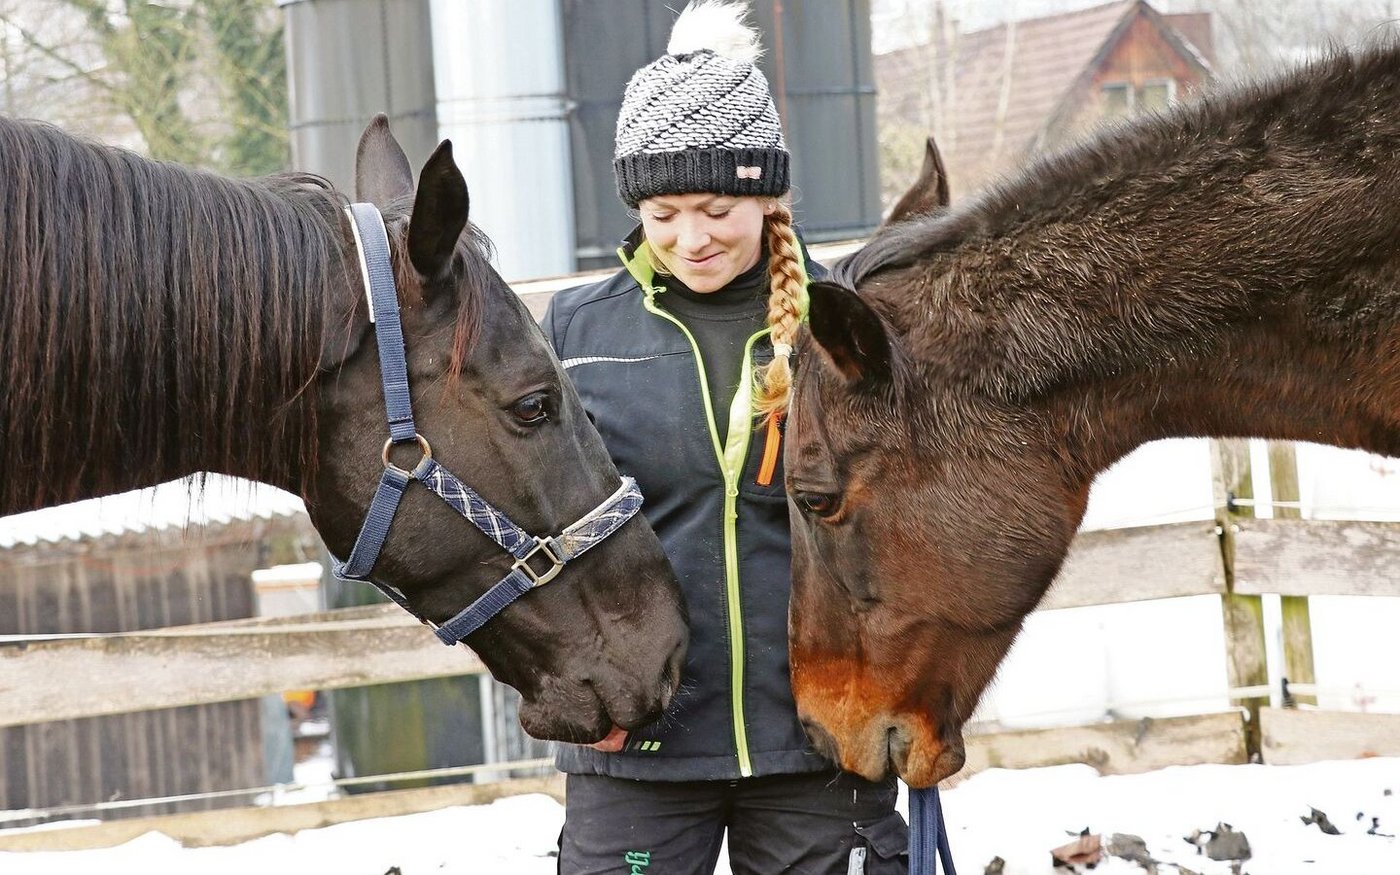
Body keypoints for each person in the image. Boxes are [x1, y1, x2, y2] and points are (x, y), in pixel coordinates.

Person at [542, 3, 908, 873]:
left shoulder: (845, 322)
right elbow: (532, 538)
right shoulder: (575, 332)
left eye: (715, 207)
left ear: (767, 194)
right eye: (664, 211)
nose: (691, 238)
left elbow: (909, 528)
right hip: (636, 749)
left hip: (821, 745)